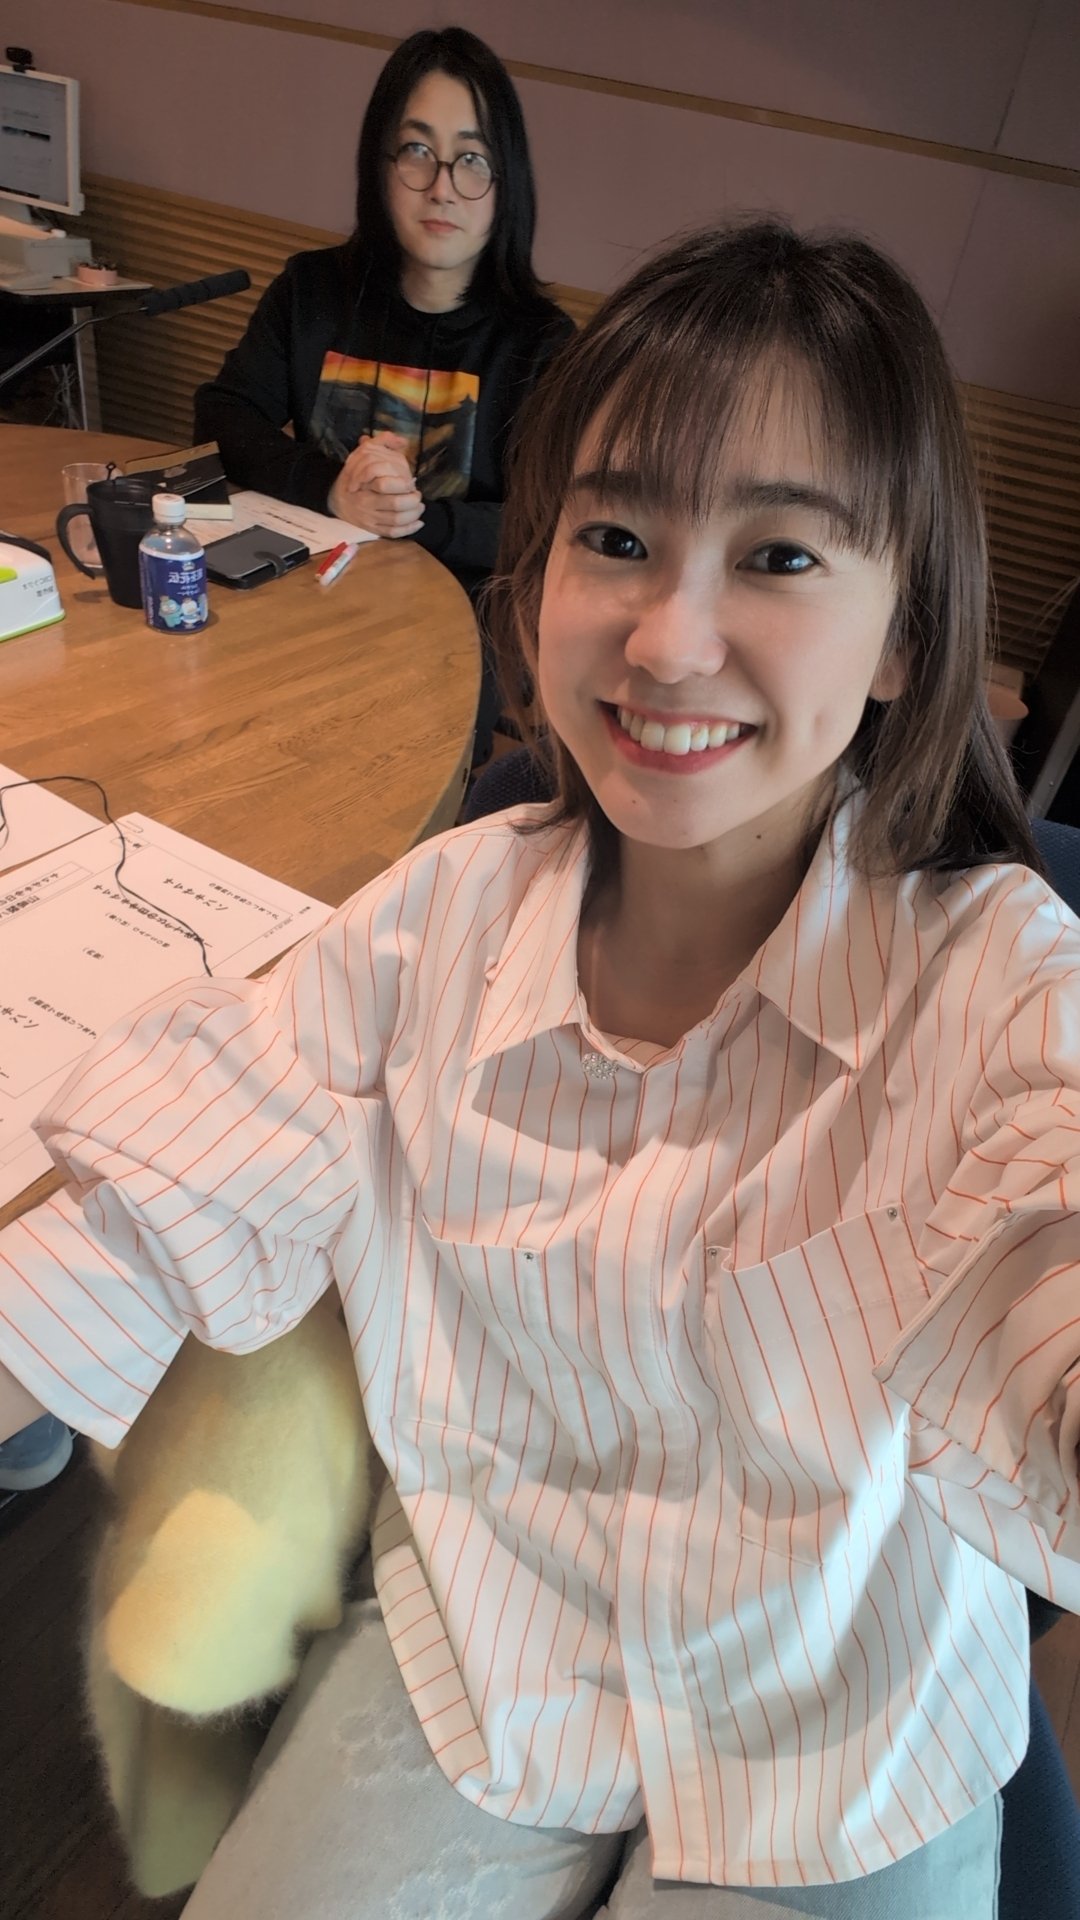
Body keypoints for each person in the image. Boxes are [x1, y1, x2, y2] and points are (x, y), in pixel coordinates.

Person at [2, 219, 1079, 1918]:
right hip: (495, 1652)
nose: (668, 640)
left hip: (841, 1722)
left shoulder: (995, 977)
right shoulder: (435, 925)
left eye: (780, 556)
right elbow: (146, 1203)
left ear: (901, 633)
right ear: (540, 571)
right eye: (620, 539)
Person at [194, 26, 573, 765]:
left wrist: (416, 517)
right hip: (295, 593)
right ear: (380, 163)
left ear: (506, 183)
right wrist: (331, 488)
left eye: (472, 159)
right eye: (416, 150)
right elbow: (222, 414)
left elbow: (547, 522)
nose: (441, 186)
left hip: (451, 628)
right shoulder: (312, 291)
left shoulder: (539, 342)